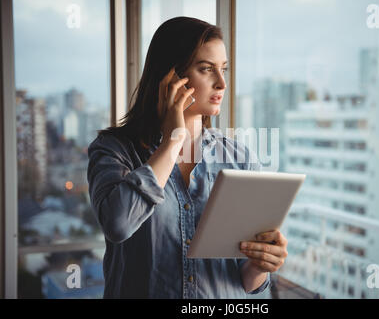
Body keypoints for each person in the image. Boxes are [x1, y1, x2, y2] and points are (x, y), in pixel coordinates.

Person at [87, 16, 288, 299]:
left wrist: (260, 264)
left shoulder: (239, 158)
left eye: (224, 70)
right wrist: (172, 143)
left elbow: (248, 282)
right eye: (206, 69)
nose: (222, 84)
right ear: (170, 77)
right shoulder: (114, 149)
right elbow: (118, 224)